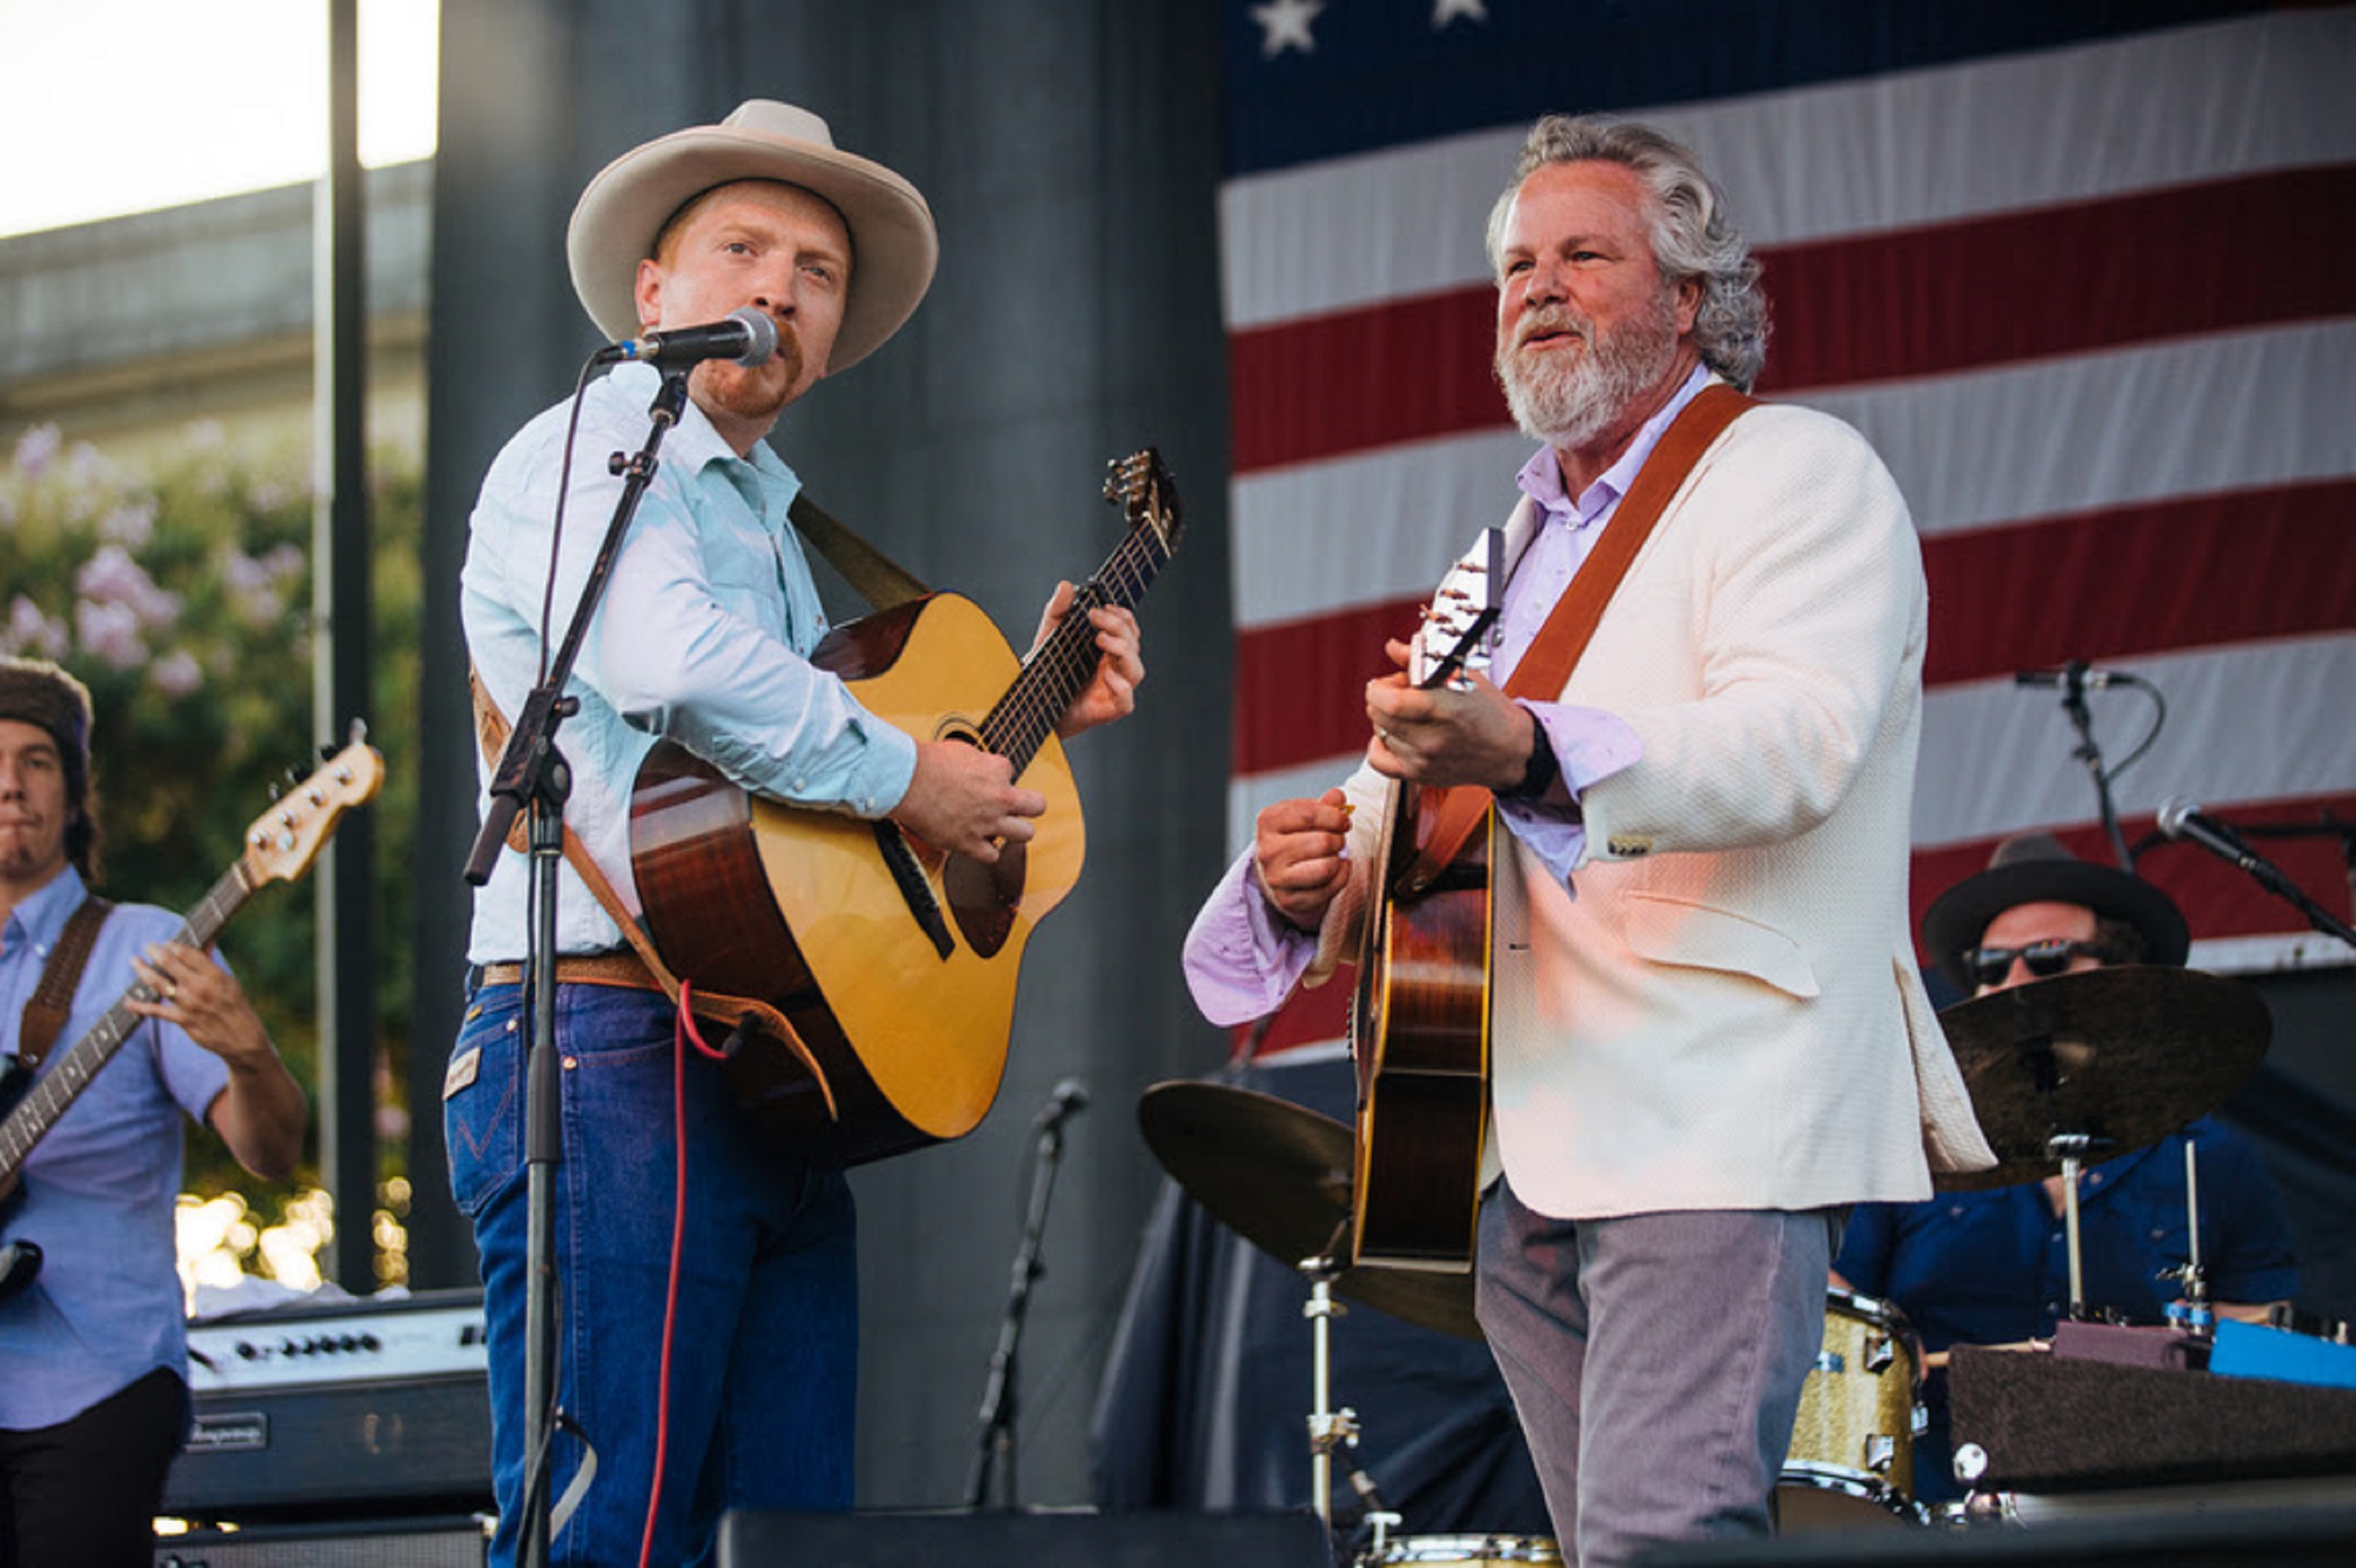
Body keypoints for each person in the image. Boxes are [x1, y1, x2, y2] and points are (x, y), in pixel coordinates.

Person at [1183, 114, 1992, 1566]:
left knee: (1659, 1540)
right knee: (1608, 1545)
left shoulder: (1790, 469)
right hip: (1489, 1129)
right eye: (1513, 264)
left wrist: (1534, 741)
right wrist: (1300, 876)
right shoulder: (1486, 562)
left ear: (1685, 298)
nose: (1534, 285)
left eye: (1581, 254)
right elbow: (1393, 804)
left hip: (1701, 1100)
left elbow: (1794, 739)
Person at [445, 101, 1144, 1567]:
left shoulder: (769, 523)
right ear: (653, 292)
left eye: (817, 270)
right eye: (741, 248)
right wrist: (908, 773)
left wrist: (1023, 721)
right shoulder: (588, 445)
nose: (779, 287)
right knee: (607, 1538)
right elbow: (676, 667)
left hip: (765, 1057)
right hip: (605, 1041)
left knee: (785, 1544)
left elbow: (800, 816)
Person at [1834, 833, 2298, 1506]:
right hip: (1936, 1503)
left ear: (2121, 976)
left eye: (2046, 958)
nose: (2013, 983)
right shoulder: (1914, 1151)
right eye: (1991, 965)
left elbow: (2259, 1342)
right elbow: (1835, 1302)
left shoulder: (2213, 1160)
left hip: (2150, 1505)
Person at [0, 658, 307, 1568]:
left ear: (77, 791)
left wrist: (249, 1049)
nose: (10, 784)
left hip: (96, 1380)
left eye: (38, 760)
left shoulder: (147, 947)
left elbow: (272, 1150)